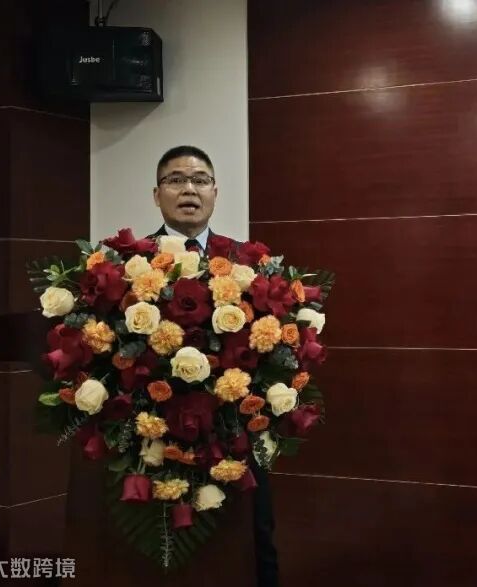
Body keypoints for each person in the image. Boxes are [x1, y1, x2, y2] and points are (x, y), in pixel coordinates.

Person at [150, 145, 279, 587]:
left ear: (215, 192)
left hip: (235, 432)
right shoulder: (130, 262)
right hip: (157, 437)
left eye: (200, 180)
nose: (189, 189)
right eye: (176, 180)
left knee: (254, 538)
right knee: (162, 546)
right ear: (157, 194)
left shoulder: (248, 263)